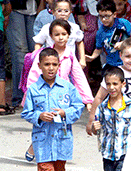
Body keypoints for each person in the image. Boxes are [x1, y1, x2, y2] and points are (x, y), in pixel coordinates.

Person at [21, 47, 86, 171]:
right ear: (39, 66)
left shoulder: (67, 87)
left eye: (54, 64)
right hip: (42, 143)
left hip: (62, 140)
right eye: (46, 64)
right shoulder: (33, 90)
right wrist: (39, 116)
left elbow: (78, 107)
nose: (50, 68)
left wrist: (65, 113)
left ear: (59, 66)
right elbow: (26, 112)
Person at [23, 20, 93, 162]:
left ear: (69, 36)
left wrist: (88, 100)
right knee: (44, 122)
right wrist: (31, 93)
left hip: (62, 95)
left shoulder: (70, 55)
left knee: (60, 124)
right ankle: (35, 147)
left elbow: (79, 77)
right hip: (43, 94)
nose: (61, 37)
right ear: (50, 36)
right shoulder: (45, 55)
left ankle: (57, 153)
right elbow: (34, 75)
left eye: (64, 34)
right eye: (57, 34)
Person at [32, 0, 86, 65]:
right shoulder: (47, 28)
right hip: (51, 63)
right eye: (59, 11)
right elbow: (39, 43)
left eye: (66, 11)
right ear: (53, 12)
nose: (63, 14)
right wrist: (36, 57)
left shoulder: (74, 28)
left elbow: (79, 42)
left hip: (69, 62)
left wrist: (82, 59)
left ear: (70, 13)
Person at [87, 0, 131, 68]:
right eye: (101, 16)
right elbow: (98, 48)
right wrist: (92, 57)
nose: (104, 19)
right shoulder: (100, 32)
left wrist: (123, 43)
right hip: (112, 64)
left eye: (107, 16)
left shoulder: (123, 23)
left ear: (114, 14)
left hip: (128, 62)